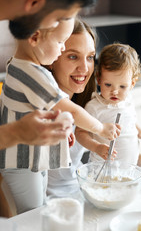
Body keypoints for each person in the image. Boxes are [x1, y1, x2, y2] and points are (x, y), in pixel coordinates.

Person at [0, 16, 121, 214]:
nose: (84, 67)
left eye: (90, 57)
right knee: (33, 215)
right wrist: (100, 128)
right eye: (68, 51)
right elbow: (69, 109)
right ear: (35, 38)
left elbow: (43, 109)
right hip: (24, 164)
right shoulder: (33, 74)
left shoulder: (19, 67)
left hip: (36, 166)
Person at [0, 0, 100, 150]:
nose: (84, 68)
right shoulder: (30, 73)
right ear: (35, 3)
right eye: (60, 19)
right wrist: (16, 133)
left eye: (90, 57)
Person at [47, 19, 118, 197]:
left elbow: (115, 152)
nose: (85, 68)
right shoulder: (37, 106)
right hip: (43, 205)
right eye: (73, 56)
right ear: (51, 59)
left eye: (90, 57)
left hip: (79, 193)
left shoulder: (88, 107)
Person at [75, 43, 141, 165]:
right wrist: (96, 147)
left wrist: (140, 132)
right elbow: (80, 133)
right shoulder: (94, 107)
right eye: (108, 85)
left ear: (132, 84)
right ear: (99, 79)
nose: (115, 91)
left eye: (122, 86)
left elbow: (130, 121)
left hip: (129, 169)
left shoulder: (128, 100)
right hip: (103, 171)